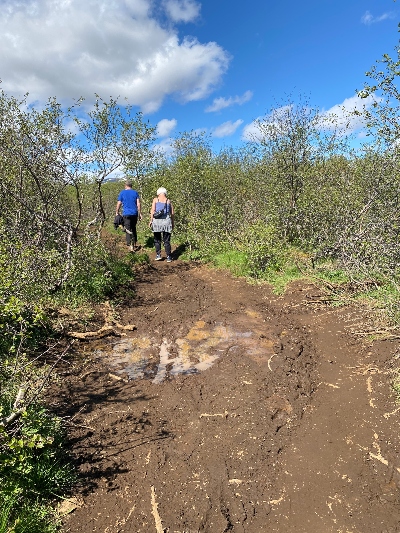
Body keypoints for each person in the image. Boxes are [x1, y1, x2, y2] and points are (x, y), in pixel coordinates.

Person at [115, 179, 142, 251]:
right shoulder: (135, 193)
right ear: (131, 185)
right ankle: (134, 242)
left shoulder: (122, 193)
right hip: (134, 213)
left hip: (126, 213)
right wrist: (140, 213)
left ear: (125, 185)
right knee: (133, 228)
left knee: (128, 229)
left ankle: (130, 245)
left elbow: (119, 203)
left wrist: (117, 212)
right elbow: (138, 203)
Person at [149, 187, 174, 262]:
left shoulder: (155, 200)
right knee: (166, 240)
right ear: (165, 193)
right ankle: (169, 256)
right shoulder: (168, 201)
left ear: (158, 193)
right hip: (166, 222)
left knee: (157, 239)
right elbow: (172, 213)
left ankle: (158, 255)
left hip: (157, 223)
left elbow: (152, 211)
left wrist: (151, 221)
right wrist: (172, 222)